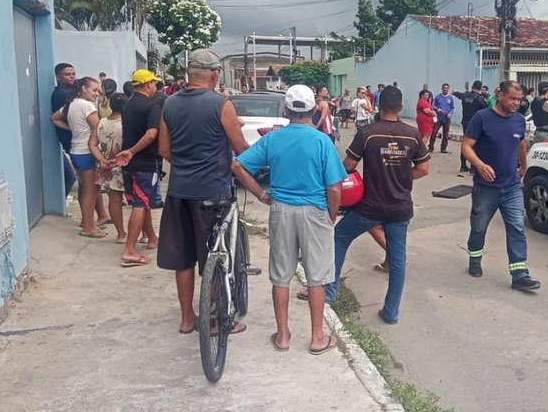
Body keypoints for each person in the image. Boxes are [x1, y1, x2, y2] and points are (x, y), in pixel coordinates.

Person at [232, 84, 347, 354]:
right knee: (316, 277)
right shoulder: (322, 141)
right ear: (312, 110)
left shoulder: (274, 139)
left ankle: (283, 336)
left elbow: (238, 165)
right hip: (314, 210)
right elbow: (334, 188)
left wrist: (261, 194)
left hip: (281, 210)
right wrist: (330, 216)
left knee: (281, 276)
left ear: (286, 110)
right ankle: (317, 337)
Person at [157, 49, 250, 335]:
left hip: (179, 191)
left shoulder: (169, 103)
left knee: (183, 258)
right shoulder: (221, 104)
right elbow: (240, 148)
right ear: (214, 74)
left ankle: (187, 318)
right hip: (213, 193)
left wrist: (187, 165)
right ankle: (212, 321)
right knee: (214, 254)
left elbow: (163, 149)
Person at [325, 85, 430, 325]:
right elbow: (423, 169)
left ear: (378, 106)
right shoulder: (412, 134)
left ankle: (330, 293)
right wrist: (403, 175)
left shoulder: (368, 133)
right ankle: (391, 312)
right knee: (397, 256)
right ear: (401, 107)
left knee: (339, 237)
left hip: (369, 207)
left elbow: (348, 166)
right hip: (401, 207)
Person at [461, 80, 541, 291]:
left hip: (512, 187)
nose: (516, 103)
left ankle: (519, 275)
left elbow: (521, 144)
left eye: (519, 99)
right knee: (479, 228)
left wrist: (524, 166)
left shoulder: (519, 120)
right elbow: (466, 146)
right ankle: (475, 259)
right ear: (501, 95)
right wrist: (479, 164)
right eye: (512, 98)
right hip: (486, 187)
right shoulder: (482, 118)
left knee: (516, 228)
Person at [115, 69, 163, 267]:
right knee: (141, 205)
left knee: (142, 202)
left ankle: (151, 237)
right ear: (147, 84)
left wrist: (129, 152)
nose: (154, 87)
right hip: (144, 161)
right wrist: (133, 151)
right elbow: (151, 135)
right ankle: (130, 249)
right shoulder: (152, 107)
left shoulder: (127, 106)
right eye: (153, 83)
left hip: (130, 164)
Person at [51, 77, 106, 238]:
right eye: (94, 90)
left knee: (86, 188)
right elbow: (99, 129)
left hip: (76, 150)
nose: (97, 94)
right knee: (91, 190)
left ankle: (87, 222)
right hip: (87, 151)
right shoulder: (87, 106)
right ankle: (88, 227)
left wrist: (73, 128)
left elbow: (54, 118)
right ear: (83, 89)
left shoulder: (71, 104)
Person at [89, 93, 128, 243]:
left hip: (106, 166)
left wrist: (101, 159)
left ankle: (120, 234)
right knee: (138, 202)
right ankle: (144, 234)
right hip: (123, 165)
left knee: (114, 200)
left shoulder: (101, 122)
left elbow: (92, 143)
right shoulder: (126, 123)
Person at [51, 63, 78, 197]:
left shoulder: (65, 93)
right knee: (81, 180)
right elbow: (58, 118)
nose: (72, 77)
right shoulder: (63, 94)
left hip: (69, 142)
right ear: (58, 77)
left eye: (73, 74)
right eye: (67, 74)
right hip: (72, 142)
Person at [453, 80, 487, 173]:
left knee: (465, 143)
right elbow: (486, 109)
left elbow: (456, 94)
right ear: (480, 88)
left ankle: (463, 165)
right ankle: (473, 167)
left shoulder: (465, 96)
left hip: (465, 122)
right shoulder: (480, 98)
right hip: (475, 123)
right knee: (475, 145)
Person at [429, 83, 454, 153]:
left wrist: (450, 113)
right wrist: (439, 110)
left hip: (447, 119)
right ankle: (431, 147)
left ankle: (443, 148)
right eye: (444, 88)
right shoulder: (437, 97)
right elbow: (433, 106)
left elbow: (452, 107)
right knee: (434, 132)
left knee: (445, 134)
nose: (445, 89)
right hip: (439, 118)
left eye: (446, 88)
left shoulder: (450, 98)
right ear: (442, 88)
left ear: (448, 89)